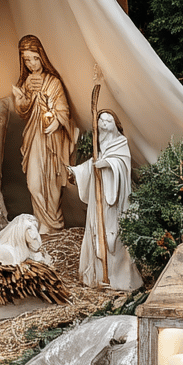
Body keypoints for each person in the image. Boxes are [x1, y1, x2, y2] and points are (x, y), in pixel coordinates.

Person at [68, 109, 142, 291]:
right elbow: (92, 165)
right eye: (101, 120)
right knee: (97, 230)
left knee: (112, 234)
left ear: (115, 124)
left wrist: (108, 164)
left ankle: (118, 277)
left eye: (108, 121)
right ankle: (98, 275)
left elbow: (123, 165)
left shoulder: (121, 143)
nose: (104, 123)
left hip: (113, 200)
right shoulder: (100, 144)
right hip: (98, 197)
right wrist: (77, 172)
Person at [11, 35, 76, 234]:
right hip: (34, 137)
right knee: (34, 183)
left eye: (35, 58)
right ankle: (42, 221)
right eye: (27, 60)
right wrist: (21, 98)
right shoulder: (27, 82)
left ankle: (53, 225)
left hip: (52, 139)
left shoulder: (53, 82)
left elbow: (63, 109)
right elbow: (23, 110)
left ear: (42, 57)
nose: (31, 64)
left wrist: (56, 122)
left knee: (52, 182)